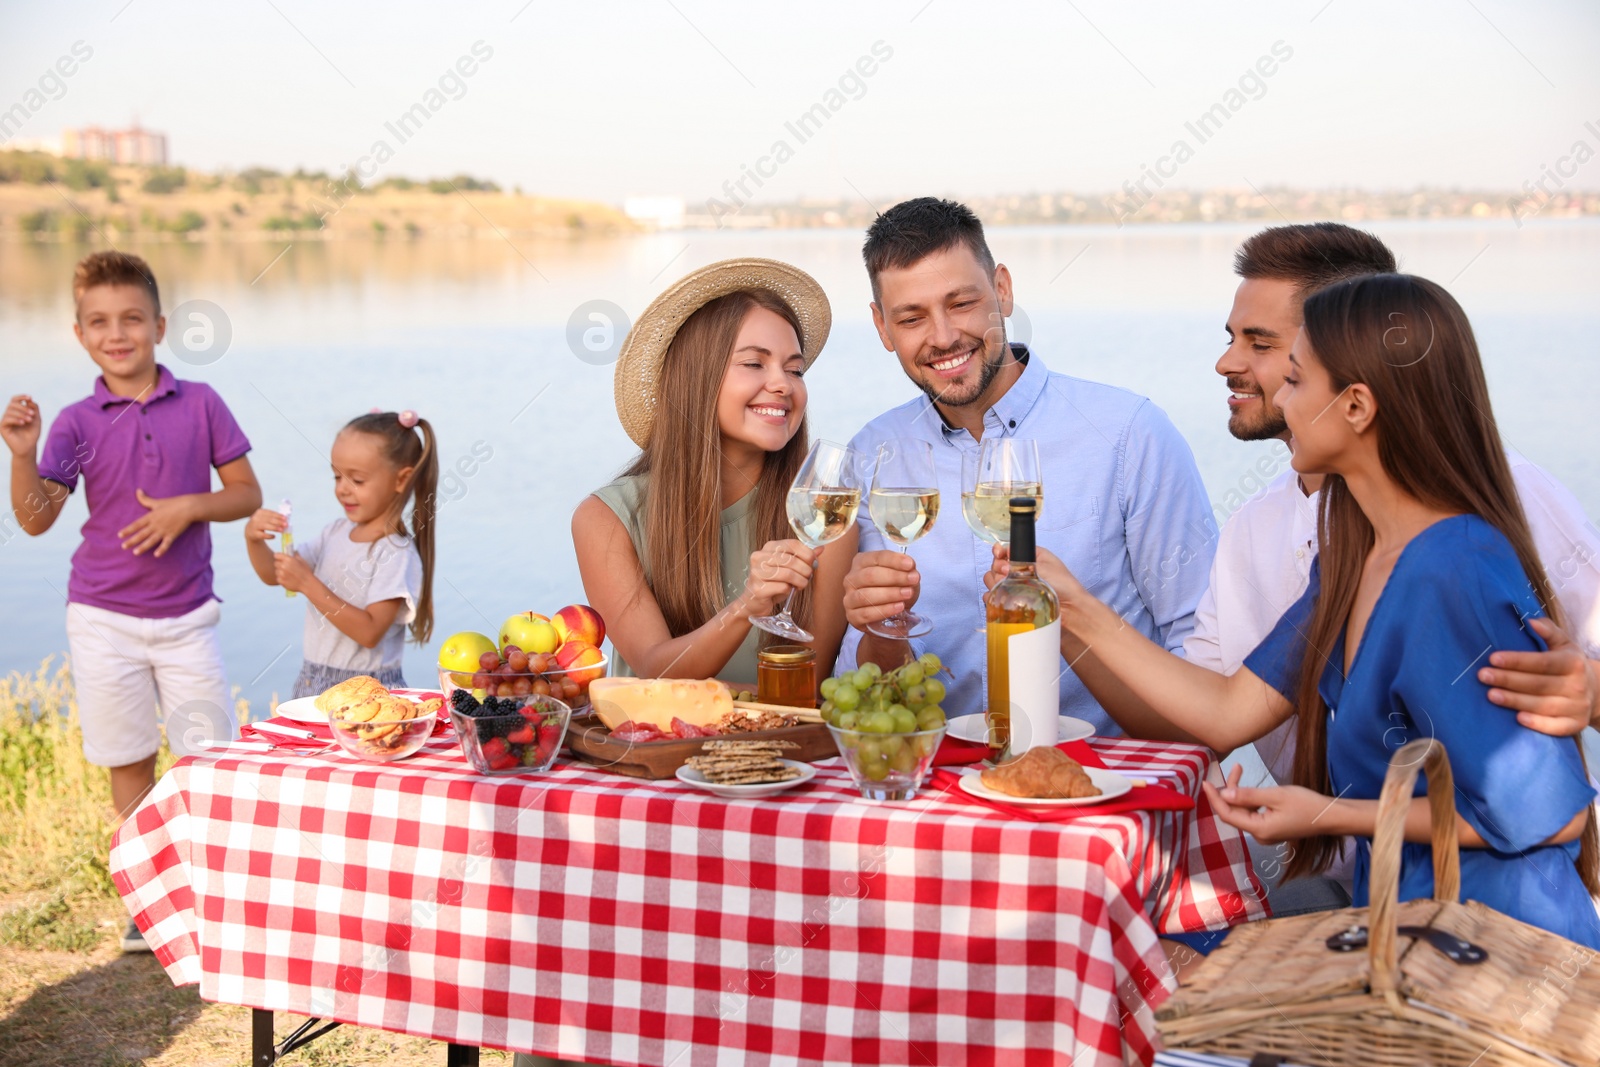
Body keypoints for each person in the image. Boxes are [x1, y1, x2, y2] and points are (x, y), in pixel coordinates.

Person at [1013, 273, 1600, 949]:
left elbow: (1550, 819)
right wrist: (1075, 609)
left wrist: (1326, 813)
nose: (1279, 398)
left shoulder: (1452, 569)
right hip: (1398, 930)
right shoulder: (1356, 556)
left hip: (1489, 957)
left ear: (1356, 406)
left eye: (1294, 379)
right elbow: (1228, 710)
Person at [837, 198, 1215, 735]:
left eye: (962, 303)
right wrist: (879, 630)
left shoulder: (1129, 434)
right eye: (912, 318)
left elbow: (1202, 656)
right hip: (947, 789)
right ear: (881, 327)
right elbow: (870, 694)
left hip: (1109, 781)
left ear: (1003, 291)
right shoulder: (870, 454)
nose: (943, 337)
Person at [1, 250, 261, 953]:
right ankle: (147, 901)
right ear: (80, 333)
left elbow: (247, 493)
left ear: (159, 324)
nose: (117, 334)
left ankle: (214, 894)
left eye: (131, 319)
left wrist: (187, 508)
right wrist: (22, 454)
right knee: (129, 761)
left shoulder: (202, 403)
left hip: (187, 619)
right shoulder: (76, 424)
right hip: (102, 619)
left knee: (207, 755)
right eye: (100, 322)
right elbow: (34, 517)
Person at [571, 258, 851, 685]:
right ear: (697, 378)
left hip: (780, 750)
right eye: (755, 363)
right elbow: (655, 670)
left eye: (794, 369)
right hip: (657, 748)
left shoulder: (825, 519)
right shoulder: (606, 519)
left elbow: (807, 684)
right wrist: (747, 607)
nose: (783, 384)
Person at [244, 411, 438, 696]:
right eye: (337, 476)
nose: (343, 490)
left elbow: (370, 632)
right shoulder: (334, 532)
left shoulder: (395, 552)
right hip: (313, 684)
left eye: (357, 481)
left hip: (367, 693)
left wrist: (308, 584)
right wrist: (254, 539)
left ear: (401, 479)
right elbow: (276, 575)